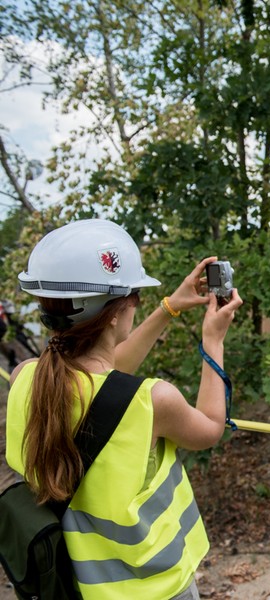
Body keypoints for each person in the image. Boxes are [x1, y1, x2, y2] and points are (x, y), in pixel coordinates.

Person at [5, 219, 242, 600]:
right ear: (115, 312)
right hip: (151, 589)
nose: (137, 302)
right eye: (134, 295)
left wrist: (169, 308)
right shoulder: (153, 401)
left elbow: (106, 384)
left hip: (66, 586)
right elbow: (211, 428)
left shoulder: (24, 379)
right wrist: (213, 340)